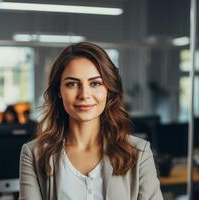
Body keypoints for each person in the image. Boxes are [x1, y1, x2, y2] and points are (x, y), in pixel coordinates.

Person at [19, 42, 162, 200]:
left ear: (108, 90)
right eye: (72, 84)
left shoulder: (139, 153)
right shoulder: (34, 154)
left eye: (95, 83)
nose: (84, 94)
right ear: (59, 91)